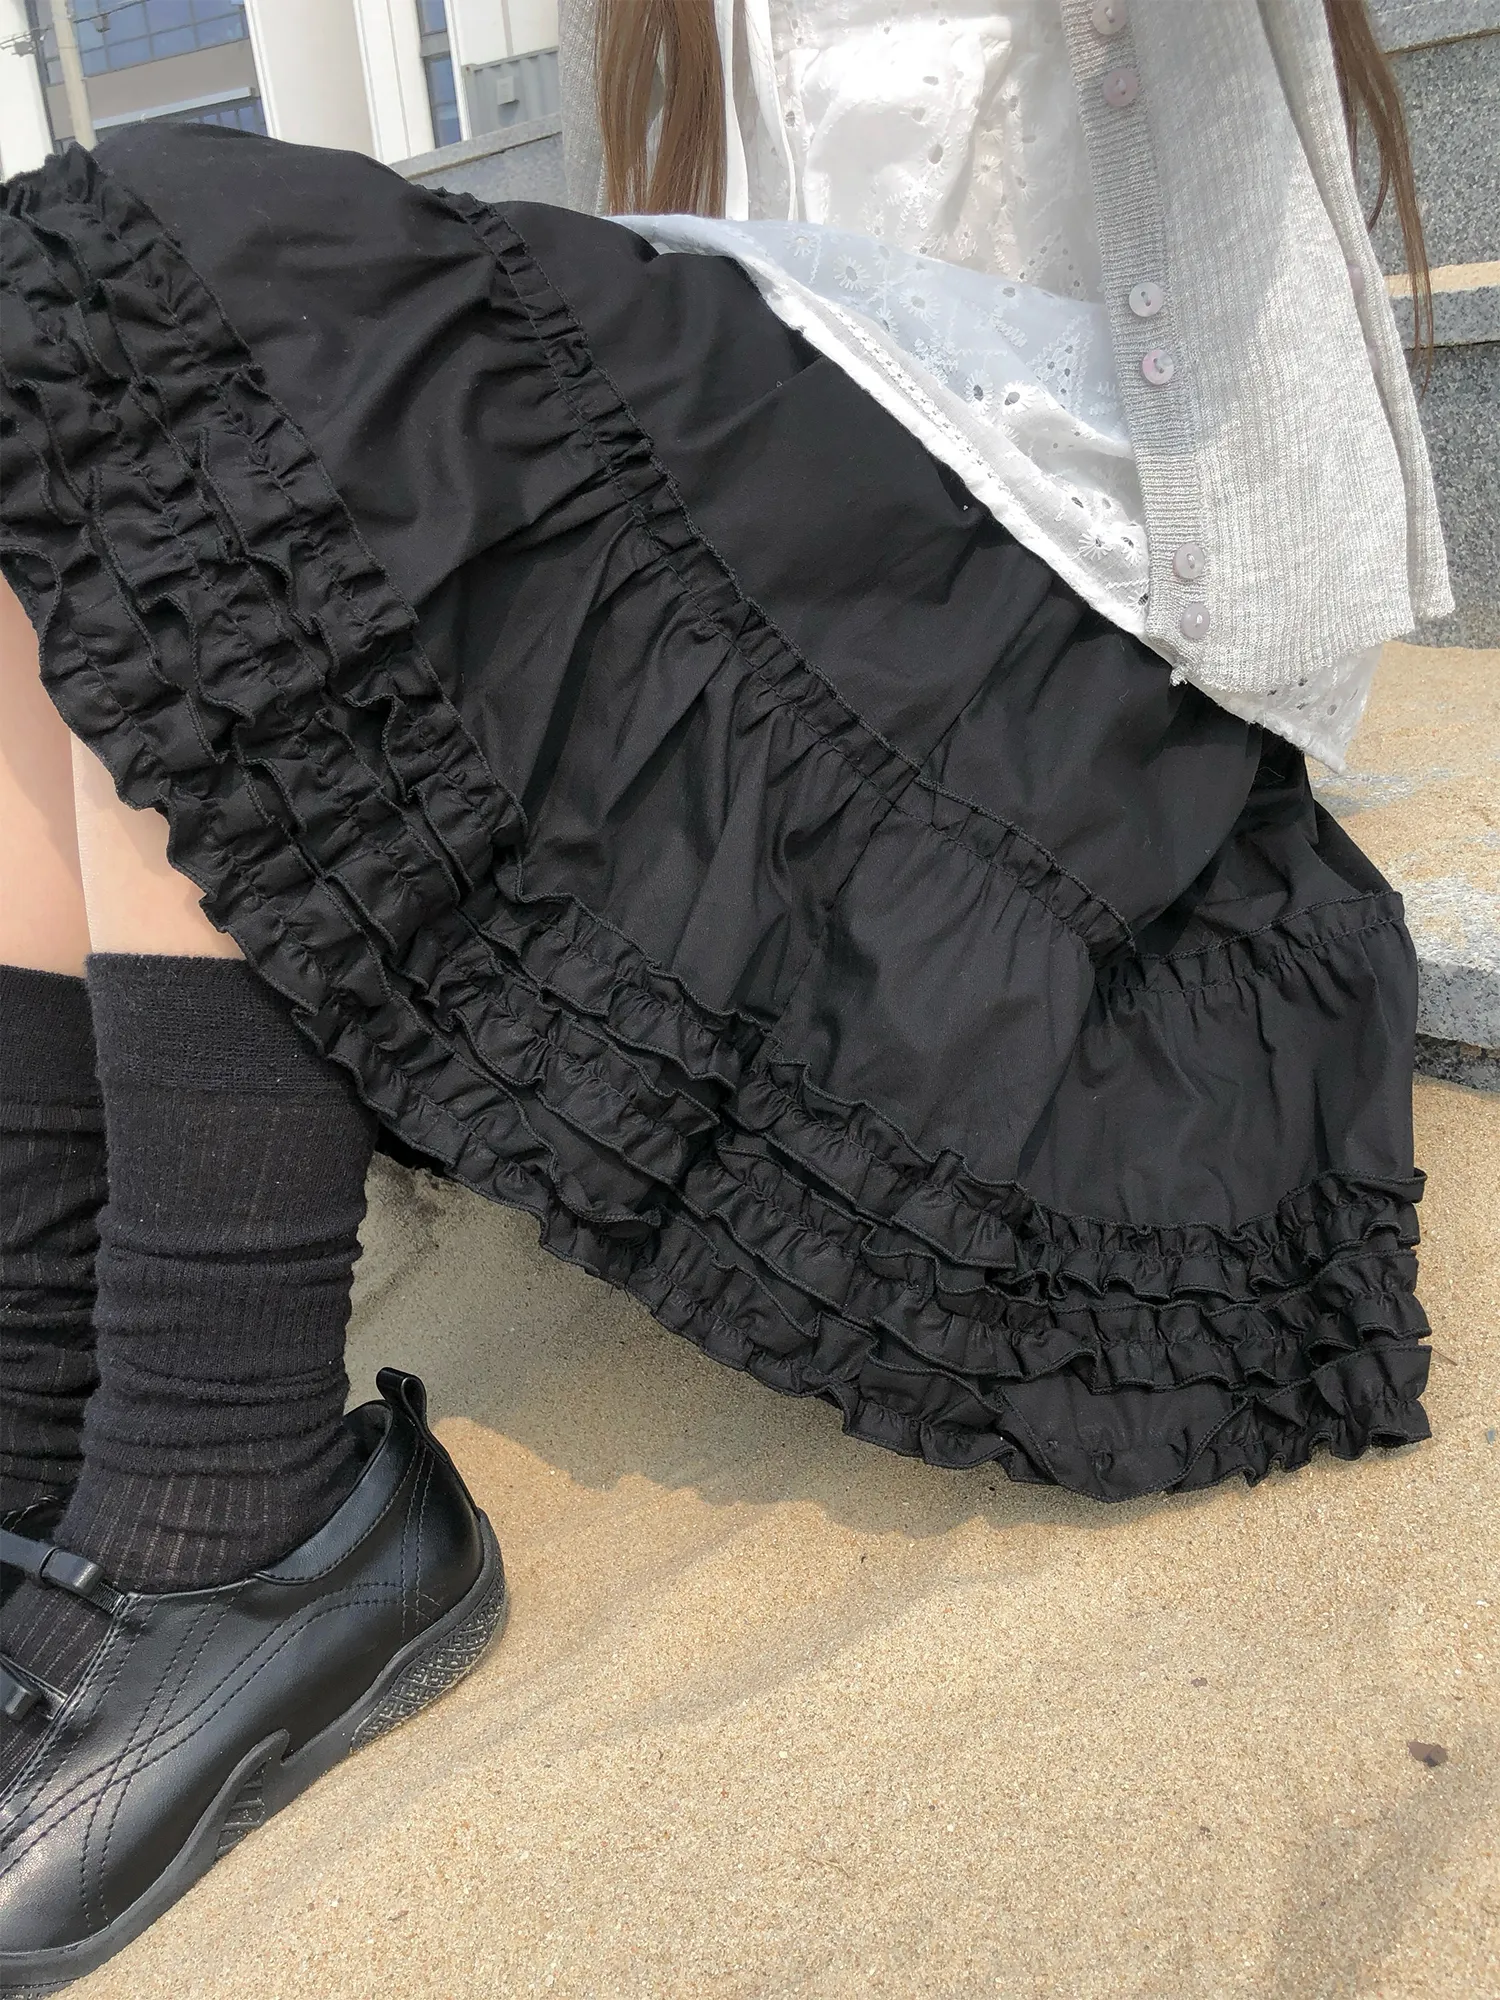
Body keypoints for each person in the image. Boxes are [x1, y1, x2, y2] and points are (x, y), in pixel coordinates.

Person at [0, 0, 1444, 1983]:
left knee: (139, 270)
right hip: (825, 509)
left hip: (1063, 620)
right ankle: (40, 1424)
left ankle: (219, 1493)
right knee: (60, 358)